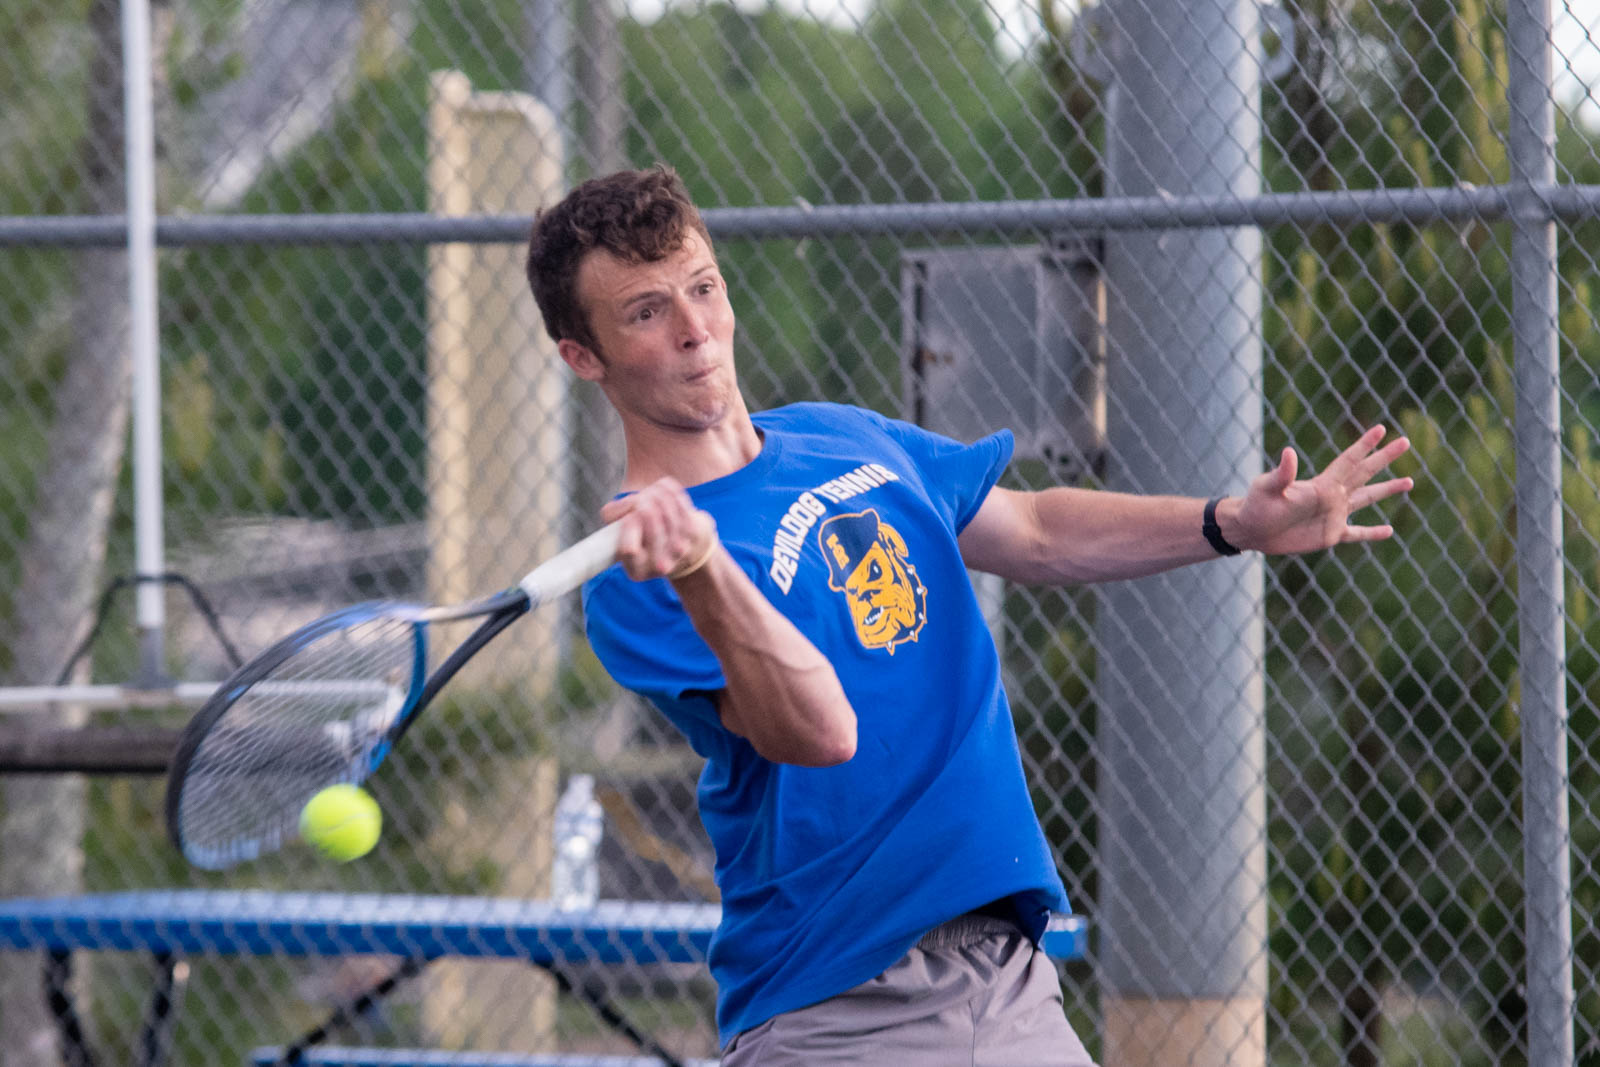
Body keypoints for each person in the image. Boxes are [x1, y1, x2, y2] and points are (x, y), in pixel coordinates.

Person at [523, 165, 1413, 1066]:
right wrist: (703, 565)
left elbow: (1035, 530)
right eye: (647, 311)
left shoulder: (840, 433)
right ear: (583, 356)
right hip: (841, 1008)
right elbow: (821, 730)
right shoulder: (637, 578)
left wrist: (1232, 524)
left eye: (704, 288)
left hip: (1010, 979)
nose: (694, 329)